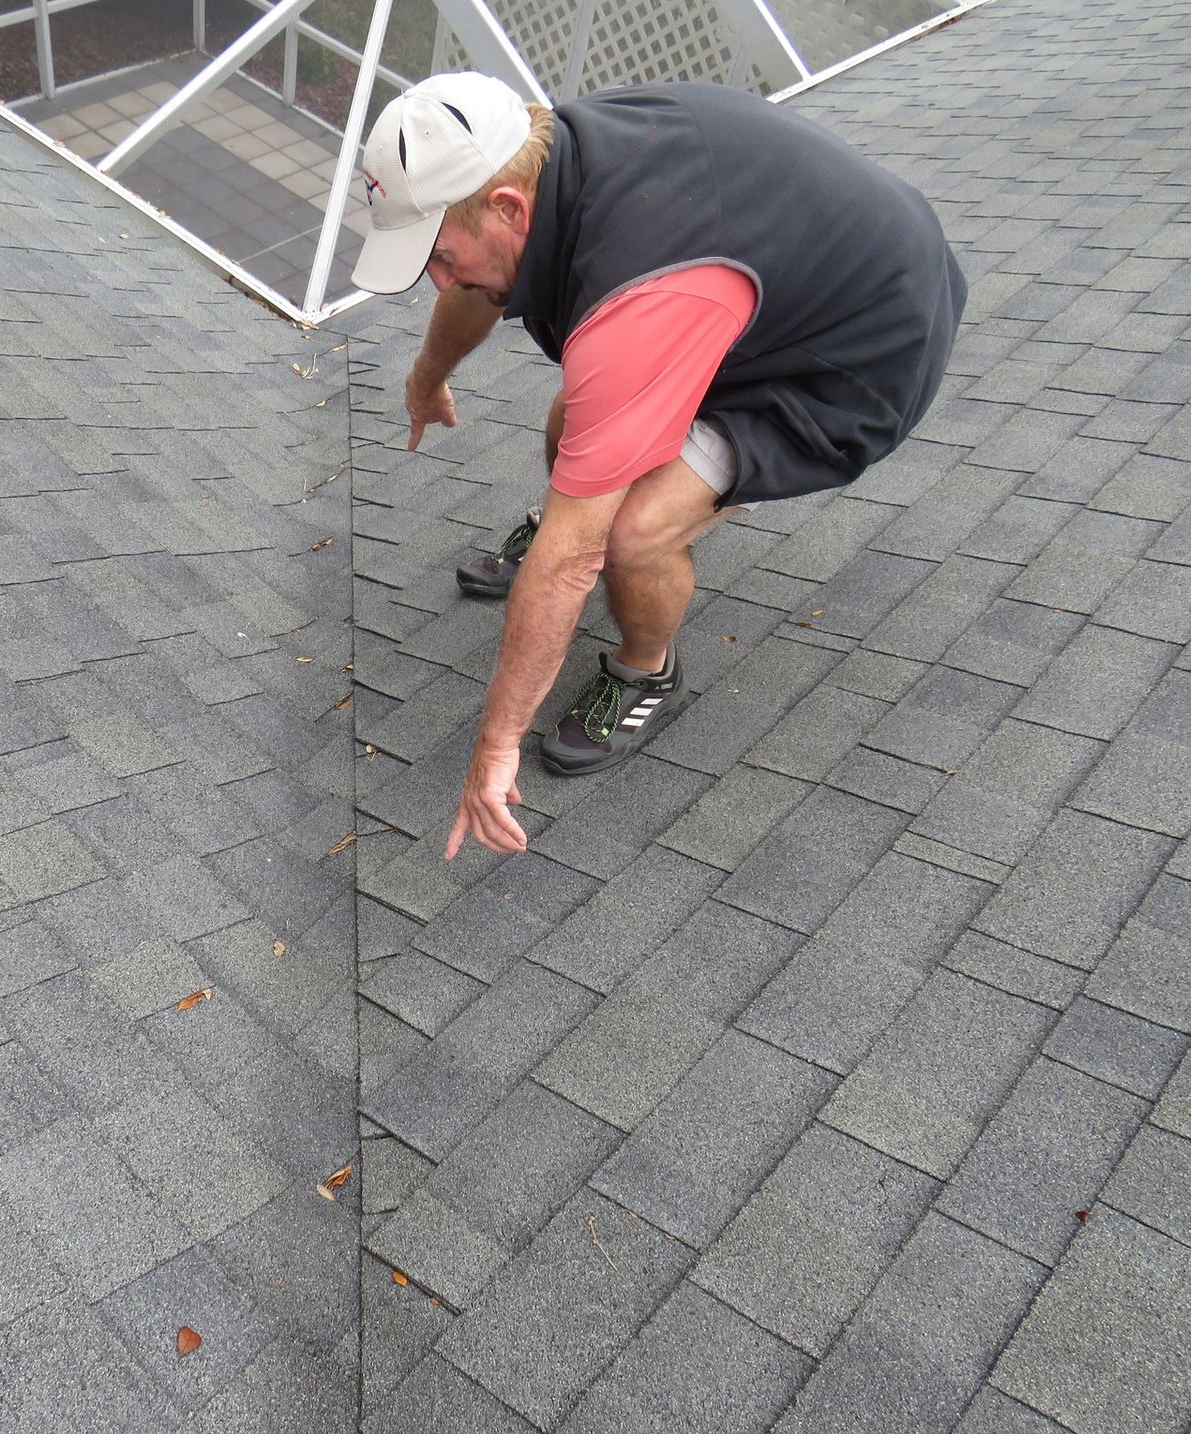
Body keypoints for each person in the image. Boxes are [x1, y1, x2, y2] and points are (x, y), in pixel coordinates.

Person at [351, 71, 965, 859]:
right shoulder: (541, 165)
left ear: (508, 206)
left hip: (852, 354)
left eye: (437, 255)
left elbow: (573, 563)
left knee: (628, 532)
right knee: (583, 422)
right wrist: (425, 379)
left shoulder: (643, 291)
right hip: (768, 283)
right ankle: (579, 511)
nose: (435, 279)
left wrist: (495, 748)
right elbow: (477, 286)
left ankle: (646, 671)